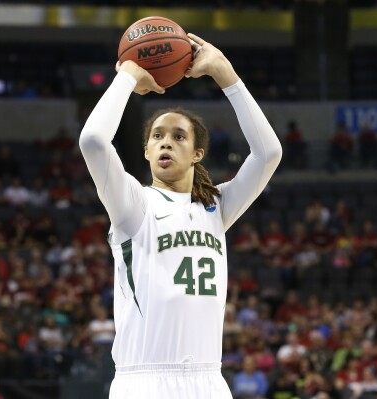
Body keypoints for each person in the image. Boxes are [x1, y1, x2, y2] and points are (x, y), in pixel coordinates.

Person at [79, 33, 282, 399]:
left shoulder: (216, 208)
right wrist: (126, 75)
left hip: (209, 381)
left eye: (178, 136)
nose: (166, 142)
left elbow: (268, 153)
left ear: (198, 154)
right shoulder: (132, 204)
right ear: (146, 151)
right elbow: (93, 140)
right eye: (157, 136)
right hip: (144, 381)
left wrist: (225, 73)